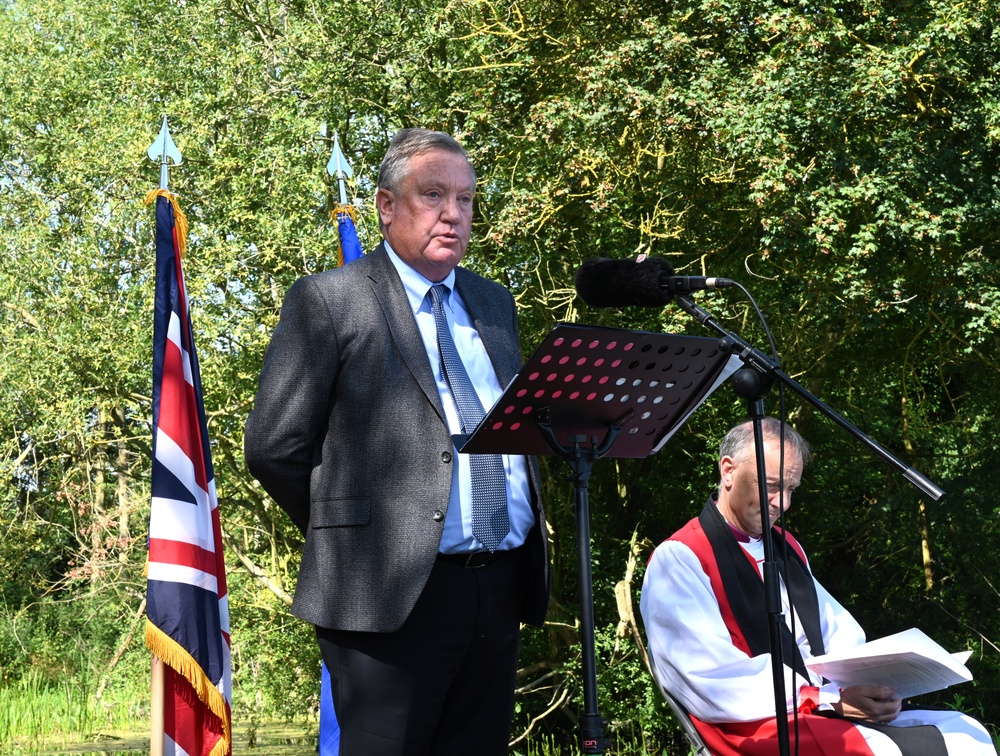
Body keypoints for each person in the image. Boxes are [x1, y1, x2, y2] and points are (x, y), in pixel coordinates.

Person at [244, 128, 550, 755]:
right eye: (433, 195)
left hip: (498, 586)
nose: (453, 214)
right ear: (386, 207)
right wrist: (355, 533)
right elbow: (274, 446)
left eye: (465, 199)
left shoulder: (493, 303)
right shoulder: (330, 301)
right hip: (387, 593)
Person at [640, 417, 996, 756]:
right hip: (751, 726)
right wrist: (823, 698)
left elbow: (835, 635)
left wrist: (875, 685)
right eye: (772, 485)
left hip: (817, 706)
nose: (784, 503)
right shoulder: (682, 559)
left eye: (791, 488)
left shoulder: (787, 546)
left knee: (966, 733)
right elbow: (711, 677)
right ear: (728, 470)